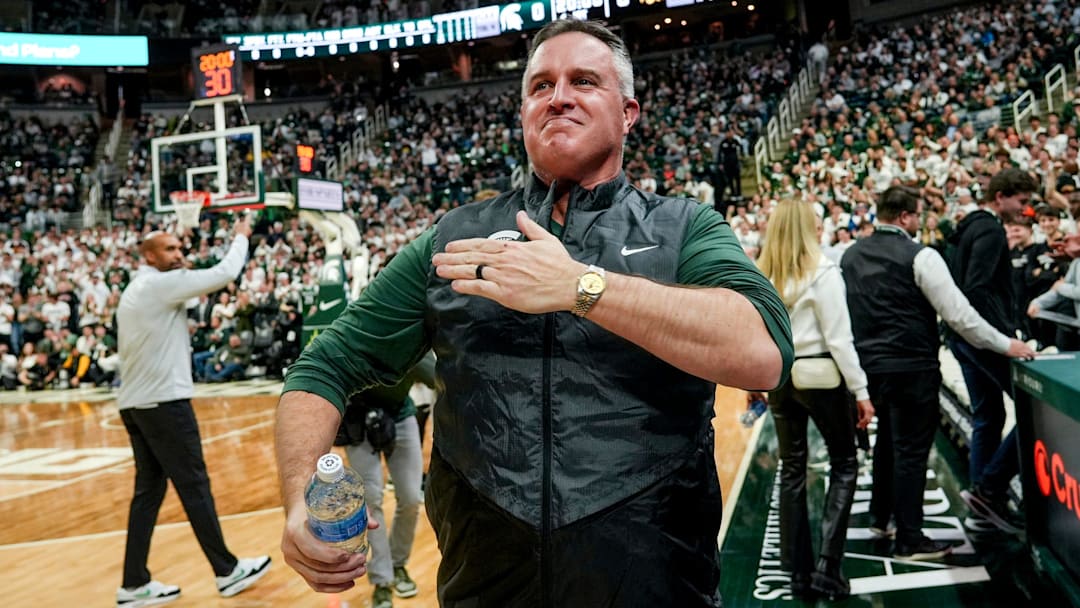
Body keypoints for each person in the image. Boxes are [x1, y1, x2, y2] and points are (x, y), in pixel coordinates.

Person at [276, 20, 793, 607]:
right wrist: (297, 500)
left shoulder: (685, 228)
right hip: (487, 583)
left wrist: (582, 286)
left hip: (657, 580)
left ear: (628, 113)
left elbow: (763, 354)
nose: (559, 96)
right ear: (523, 112)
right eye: (540, 85)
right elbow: (324, 366)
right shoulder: (453, 238)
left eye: (584, 81)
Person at [842, 186, 1034, 560]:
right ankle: (910, 538)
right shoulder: (921, 255)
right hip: (913, 365)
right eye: (916, 216)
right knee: (912, 451)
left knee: (886, 445)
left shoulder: (850, 255)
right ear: (905, 217)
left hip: (870, 366)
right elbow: (959, 315)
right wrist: (1004, 344)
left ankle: (881, 518)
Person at [116, 216, 270, 608]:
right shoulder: (158, 284)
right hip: (163, 403)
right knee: (194, 485)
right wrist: (239, 237)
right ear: (148, 255)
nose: (179, 255)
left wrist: (186, 253)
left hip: (137, 404)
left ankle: (133, 585)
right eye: (169, 249)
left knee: (148, 494)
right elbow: (226, 272)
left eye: (180, 248)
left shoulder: (142, 288)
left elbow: (192, 291)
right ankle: (227, 570)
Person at [757, 200, 873, 600]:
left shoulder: (760, 273)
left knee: (792, 468)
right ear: (810, 229)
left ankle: (798, 573)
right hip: (821, 375)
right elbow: (840, 340)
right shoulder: (823, 272)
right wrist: (861, 391)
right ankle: (829, 565)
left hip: (780, 376)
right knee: (844, 464)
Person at [944, 167, 1039, 533]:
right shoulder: (989, 229)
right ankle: (991, 488)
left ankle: (982, 505)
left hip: (963, 337)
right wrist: (1002, 338)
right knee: (1031, 408)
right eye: (1022, 200)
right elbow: (977, 289)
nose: (1026, 209)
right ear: (1001, 196)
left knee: (989, 416)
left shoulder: (969, 226)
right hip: (983, 338)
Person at [338, 352, 436, 608]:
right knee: (372, 501)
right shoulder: (356, 334)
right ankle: (382, 580)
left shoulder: (413, 339)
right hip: (359, 420)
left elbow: (441, 377)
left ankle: (398, 564)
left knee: (412, 498)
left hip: (400, 415)